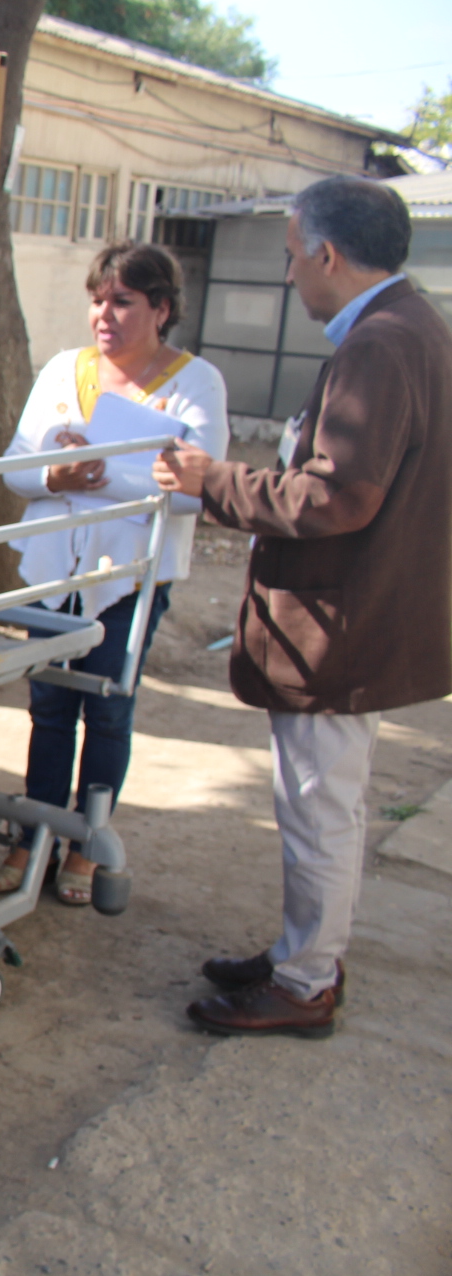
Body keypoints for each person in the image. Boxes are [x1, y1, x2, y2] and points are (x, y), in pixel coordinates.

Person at [156, 176, 451, 1039]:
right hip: (370, 607)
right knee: (331, 801)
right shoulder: (417, 327)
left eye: (291, 256)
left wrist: (218, 482)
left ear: (327, 254)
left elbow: (337, 496)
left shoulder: (380, 346)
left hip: (343, 621)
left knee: (320, 805)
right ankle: (304, 952)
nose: (289, 275)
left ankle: (305, 981)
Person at [0, 242, 228, 905]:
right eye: (97, 300)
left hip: (130, 579)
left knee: (108, 710)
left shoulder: (195, 381)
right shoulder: (65, 370)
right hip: (58, 575)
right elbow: (16, 465)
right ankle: (33, 834)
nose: (104, 315)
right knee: (49, 707)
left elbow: (196, 485)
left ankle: (88, 842)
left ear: (162, 309)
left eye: (122, 301)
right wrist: (53, 475)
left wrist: (98, 470)